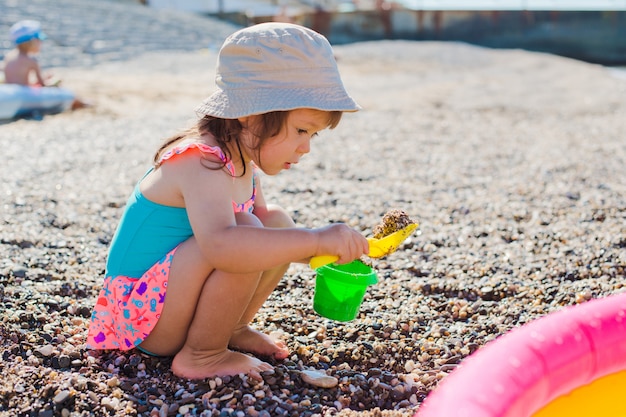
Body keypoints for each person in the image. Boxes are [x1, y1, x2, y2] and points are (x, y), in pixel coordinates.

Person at [86, 22, 368, 381]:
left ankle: (229, 328)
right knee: (244, 233)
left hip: (170, 301)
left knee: (276, 221)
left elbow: (272, 235)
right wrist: (315, 239)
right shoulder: (199, 161)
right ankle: (203, 354)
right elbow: (223, 246)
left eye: (313, 135)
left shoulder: (240, 160)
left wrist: (326, 247)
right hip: (140, 318)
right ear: (251, 115)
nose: (306, 147)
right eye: (301, 130)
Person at [2, 20, 89, 110]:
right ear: (32, 41)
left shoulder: (9, 56)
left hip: (11, 91)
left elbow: (15, 81)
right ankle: (82, 103)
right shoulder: (31, 60)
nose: (41, 43)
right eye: (40, 39)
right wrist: (53, 83)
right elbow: (42, 85)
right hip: (23, 96)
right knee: (61, 90)